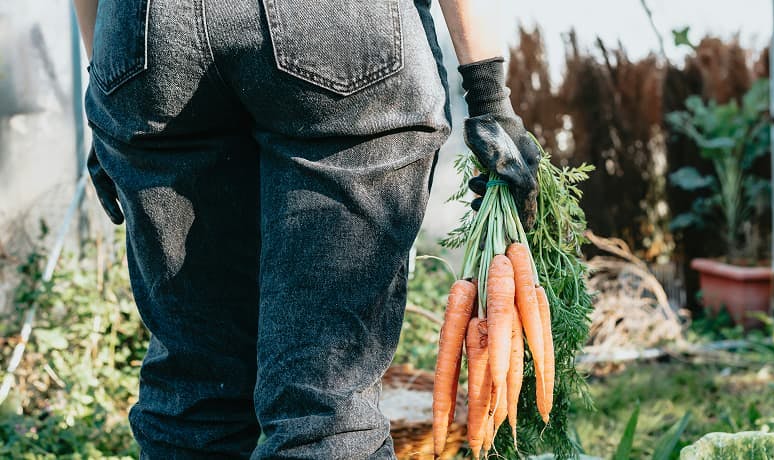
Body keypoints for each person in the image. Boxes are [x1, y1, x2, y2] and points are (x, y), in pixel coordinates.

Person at [74, 0, 540, 457]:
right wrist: (489, 98)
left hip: (148, 37)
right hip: (339, 31)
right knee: (322, 404)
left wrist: (108, 88)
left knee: (195, 392)